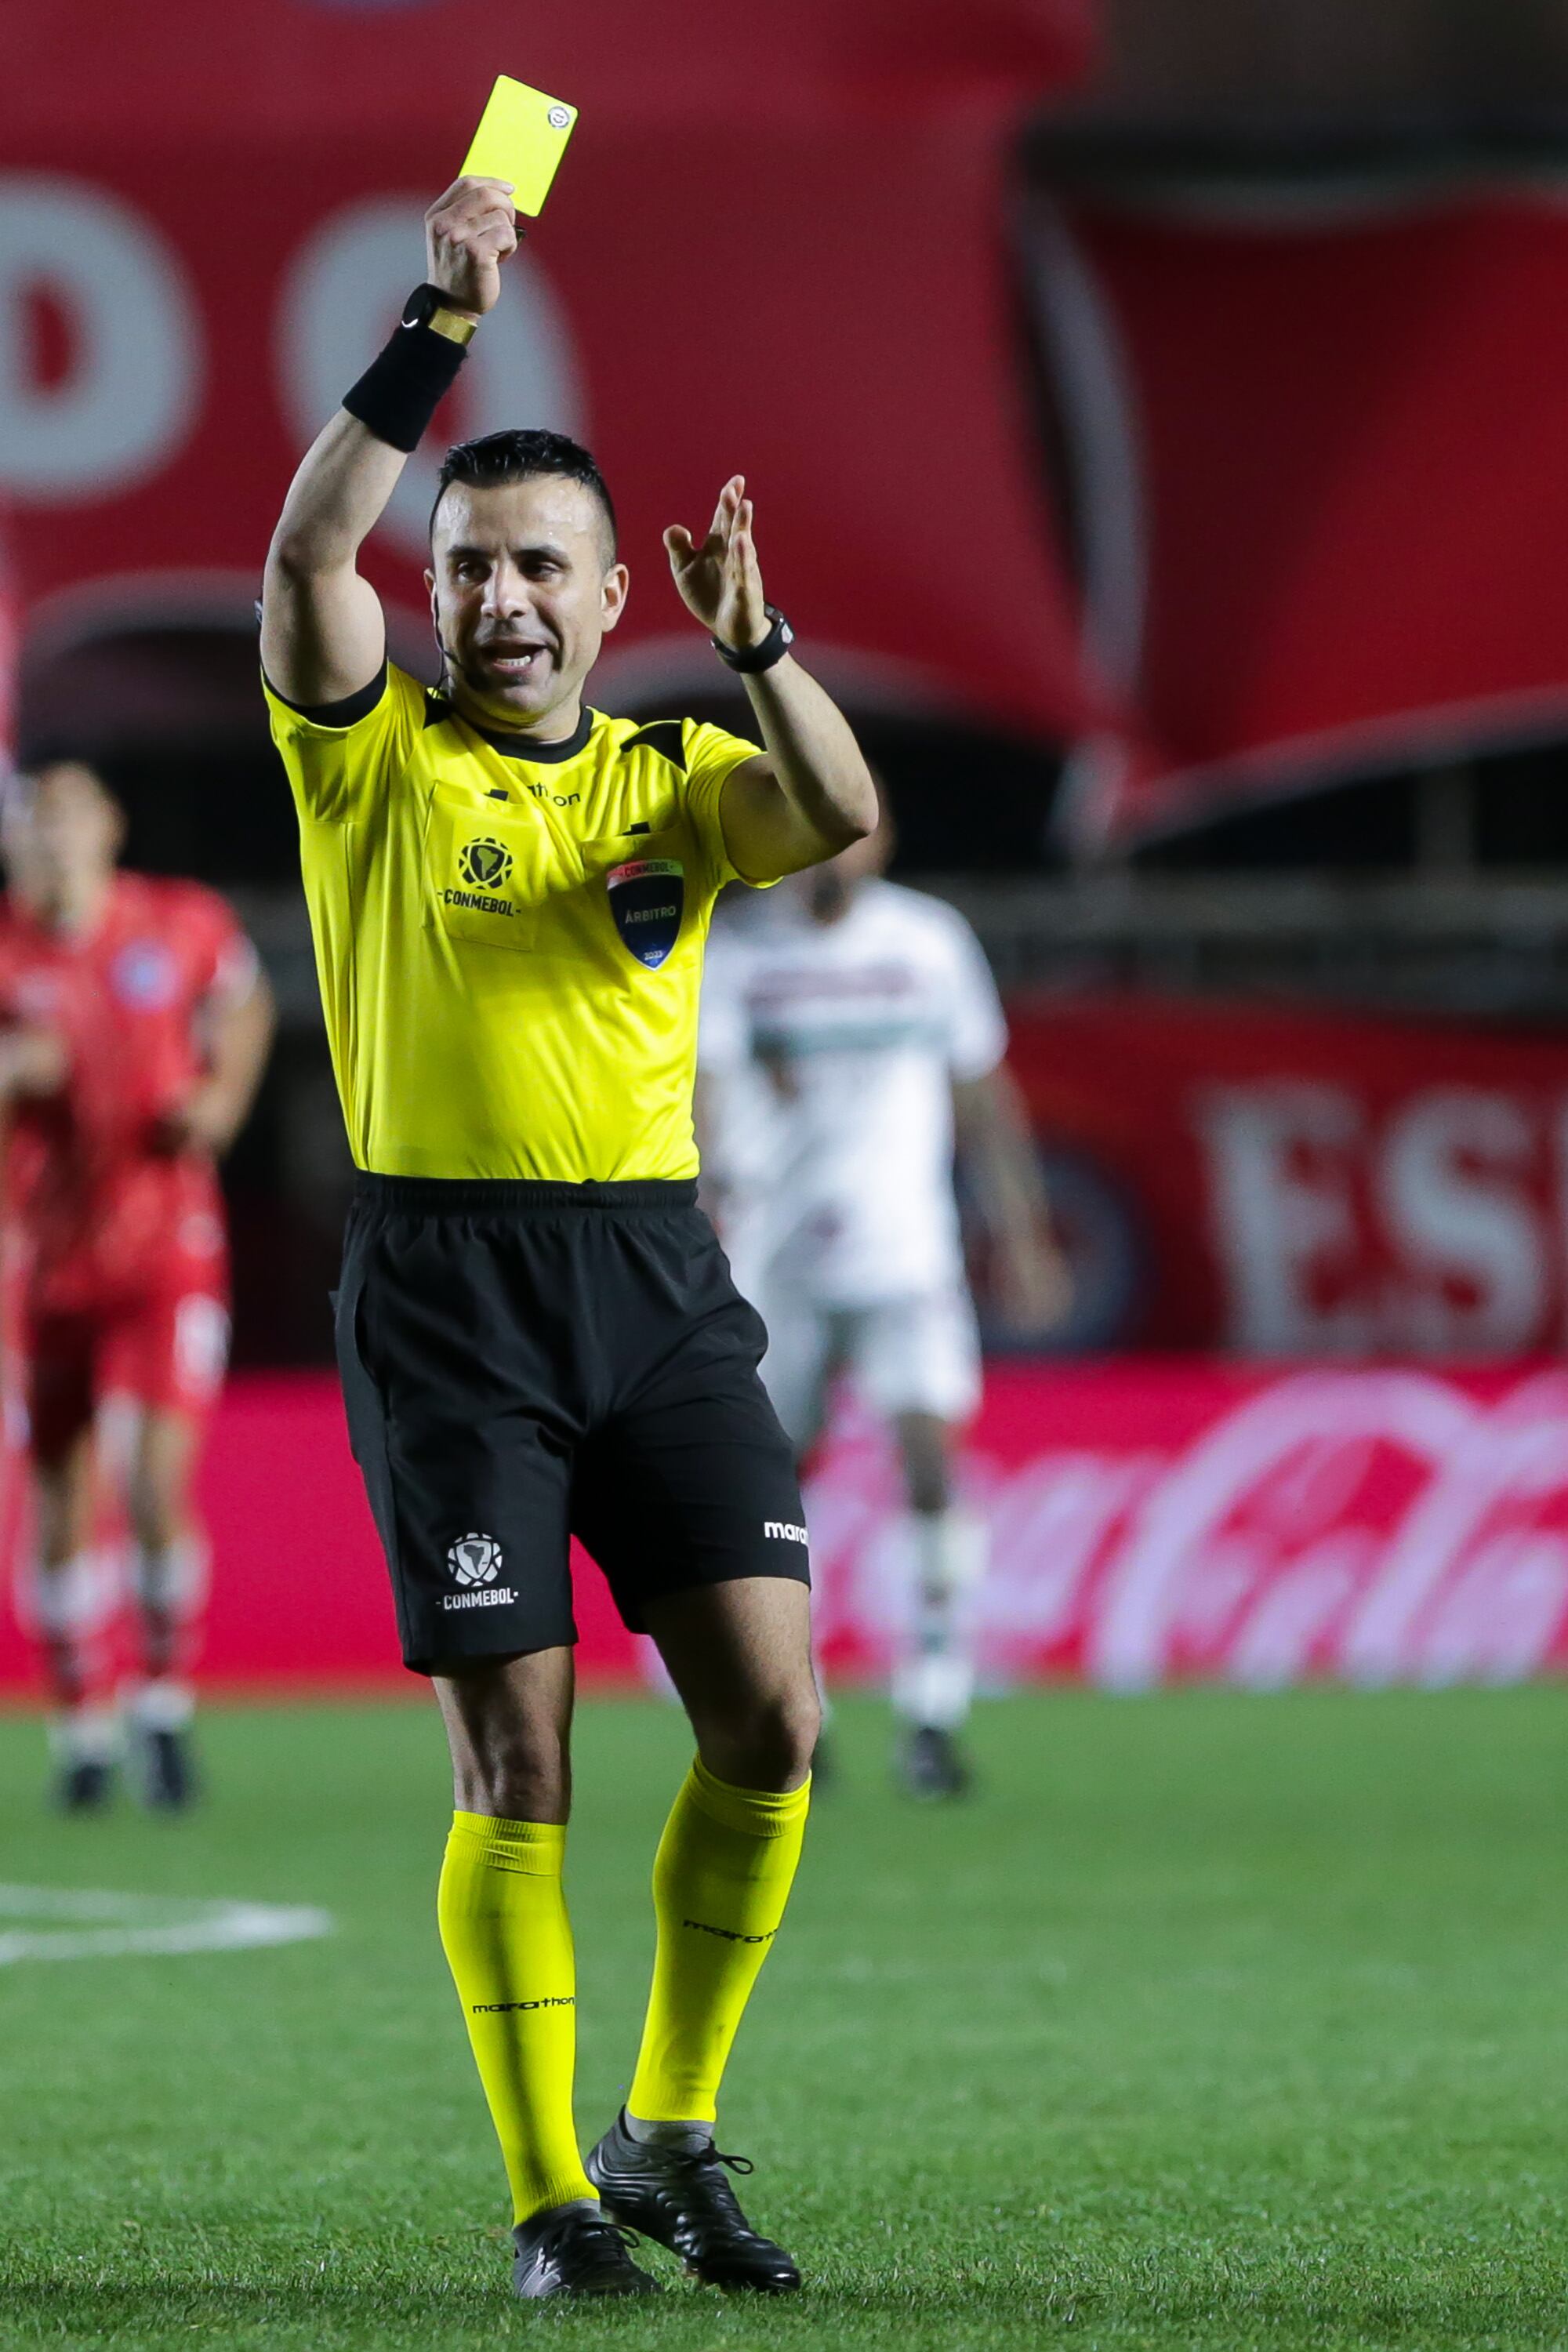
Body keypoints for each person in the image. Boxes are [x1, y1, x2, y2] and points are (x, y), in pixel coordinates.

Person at [260, 176, 877, 2301]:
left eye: (538, 565)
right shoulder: (375, 768)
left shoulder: (678, 774)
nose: (498, 597)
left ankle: (669, 2130)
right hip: (448, 1293)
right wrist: (435, 332)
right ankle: (547, 2207)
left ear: (615, 596)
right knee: (519, 1754)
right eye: (472, 565)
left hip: (655, 1282)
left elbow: (841, 817)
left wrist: (762, 642)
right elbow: (301, 555)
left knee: (774, 1724)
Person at [698, 813, 1067, 1797]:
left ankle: (934, 1715)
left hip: (909, 1257)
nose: (833, 854)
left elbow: (982, 1088)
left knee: (931, 1465)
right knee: (773, 1497)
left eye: (850, 834)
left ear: (883, 842)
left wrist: (1022, 1232)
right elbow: (707, 1093)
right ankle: (790, 1707)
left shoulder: (927, 941)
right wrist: (700, 1229)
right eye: (815, 834)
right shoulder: (739, 951)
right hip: (779, 1268)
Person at [0, 760, 274, 1810]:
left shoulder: (180, 923)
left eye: (69, 816)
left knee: (156, 1484)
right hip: (48, 1265)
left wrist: (221, 1098)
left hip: (169, 1253)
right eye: (33, 823)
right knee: (62, 1501)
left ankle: (163, 1707)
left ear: (109, 826)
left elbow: (244, 1004)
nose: (52, 837)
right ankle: (81, 1729)